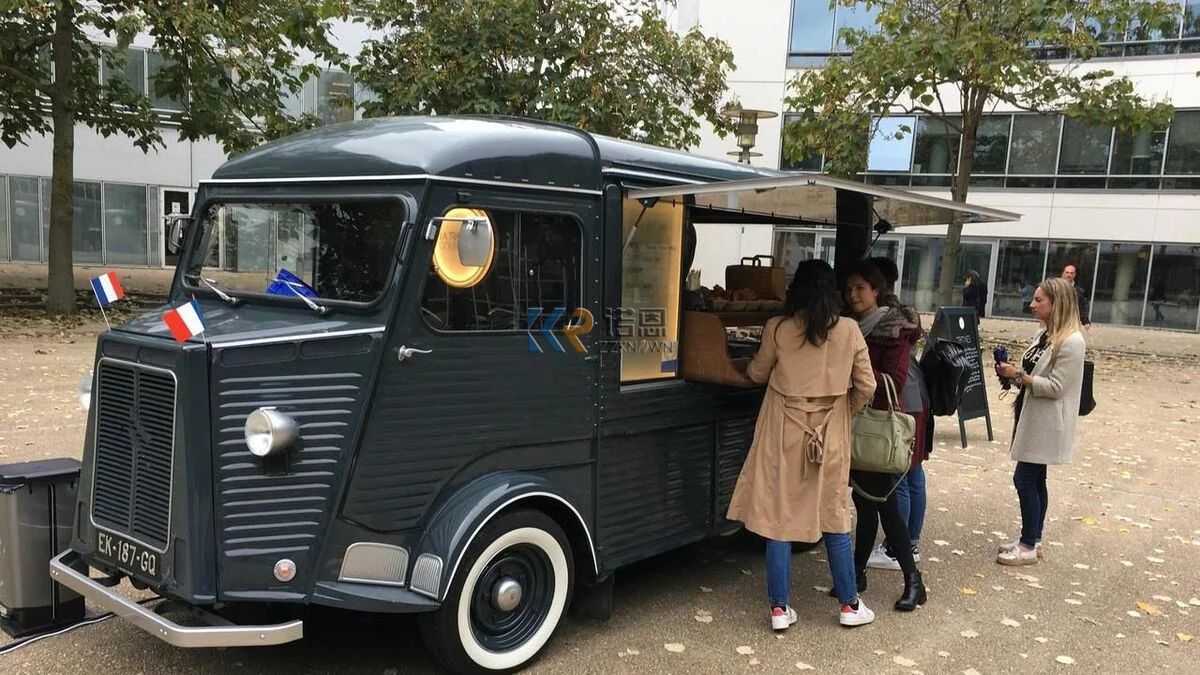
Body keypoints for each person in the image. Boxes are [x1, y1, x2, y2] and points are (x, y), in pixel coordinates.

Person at [726, 259, 879, 630]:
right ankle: (849, 605)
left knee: (780, 518)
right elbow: (867, 386)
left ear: (796, 290)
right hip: (831, 436)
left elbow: (758, 373)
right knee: (834, 515)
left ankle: (779, 609)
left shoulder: (778, 327)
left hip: (784, 433)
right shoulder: (849, 330)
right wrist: (842, 413)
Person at [843, 260, 929, 612]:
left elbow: (893, 376)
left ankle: (913, 580)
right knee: (865, 502)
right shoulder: (852, 325)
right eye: (849, 290)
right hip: (859, 422)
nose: (853, 296)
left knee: (885, 504)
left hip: (881, 424)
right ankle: (857, 573)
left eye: (860, 289)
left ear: (876, 291)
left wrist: (852, 369)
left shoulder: (894, 329)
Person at [993, 277, 1086, 565]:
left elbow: (1056, 387)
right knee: (1036, 479)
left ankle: (1028, 544)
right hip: (1031, 414)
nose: (1032, 305)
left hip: (1047, 422)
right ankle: (1034, 537)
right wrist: (1013, 373)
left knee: (1023, 479)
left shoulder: (1072, 341)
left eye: (1039, 300)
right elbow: (1033, 372)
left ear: (1056, 303)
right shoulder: (1043, 334)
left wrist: (1018, 376)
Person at [1060, 264, 1091, 328]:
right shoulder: (1055, 287)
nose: (1069, 275)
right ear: (1063, 273)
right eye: (1067, 272)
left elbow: (1082, 306)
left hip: (1071, 323)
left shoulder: (1079, 291)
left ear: (1074, 275)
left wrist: (1085, 321)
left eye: (1071, 273)